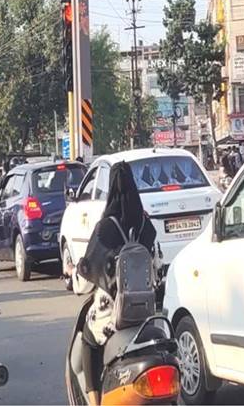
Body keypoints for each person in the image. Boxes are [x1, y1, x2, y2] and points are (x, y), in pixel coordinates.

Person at [71, 161, 159, 406]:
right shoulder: (145, 224)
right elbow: (157, 264)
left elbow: (88, 268)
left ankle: (95, 400)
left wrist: (75, 271)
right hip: (146, 309)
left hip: (113, 312)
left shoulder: (106, 227)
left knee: (89, 340)